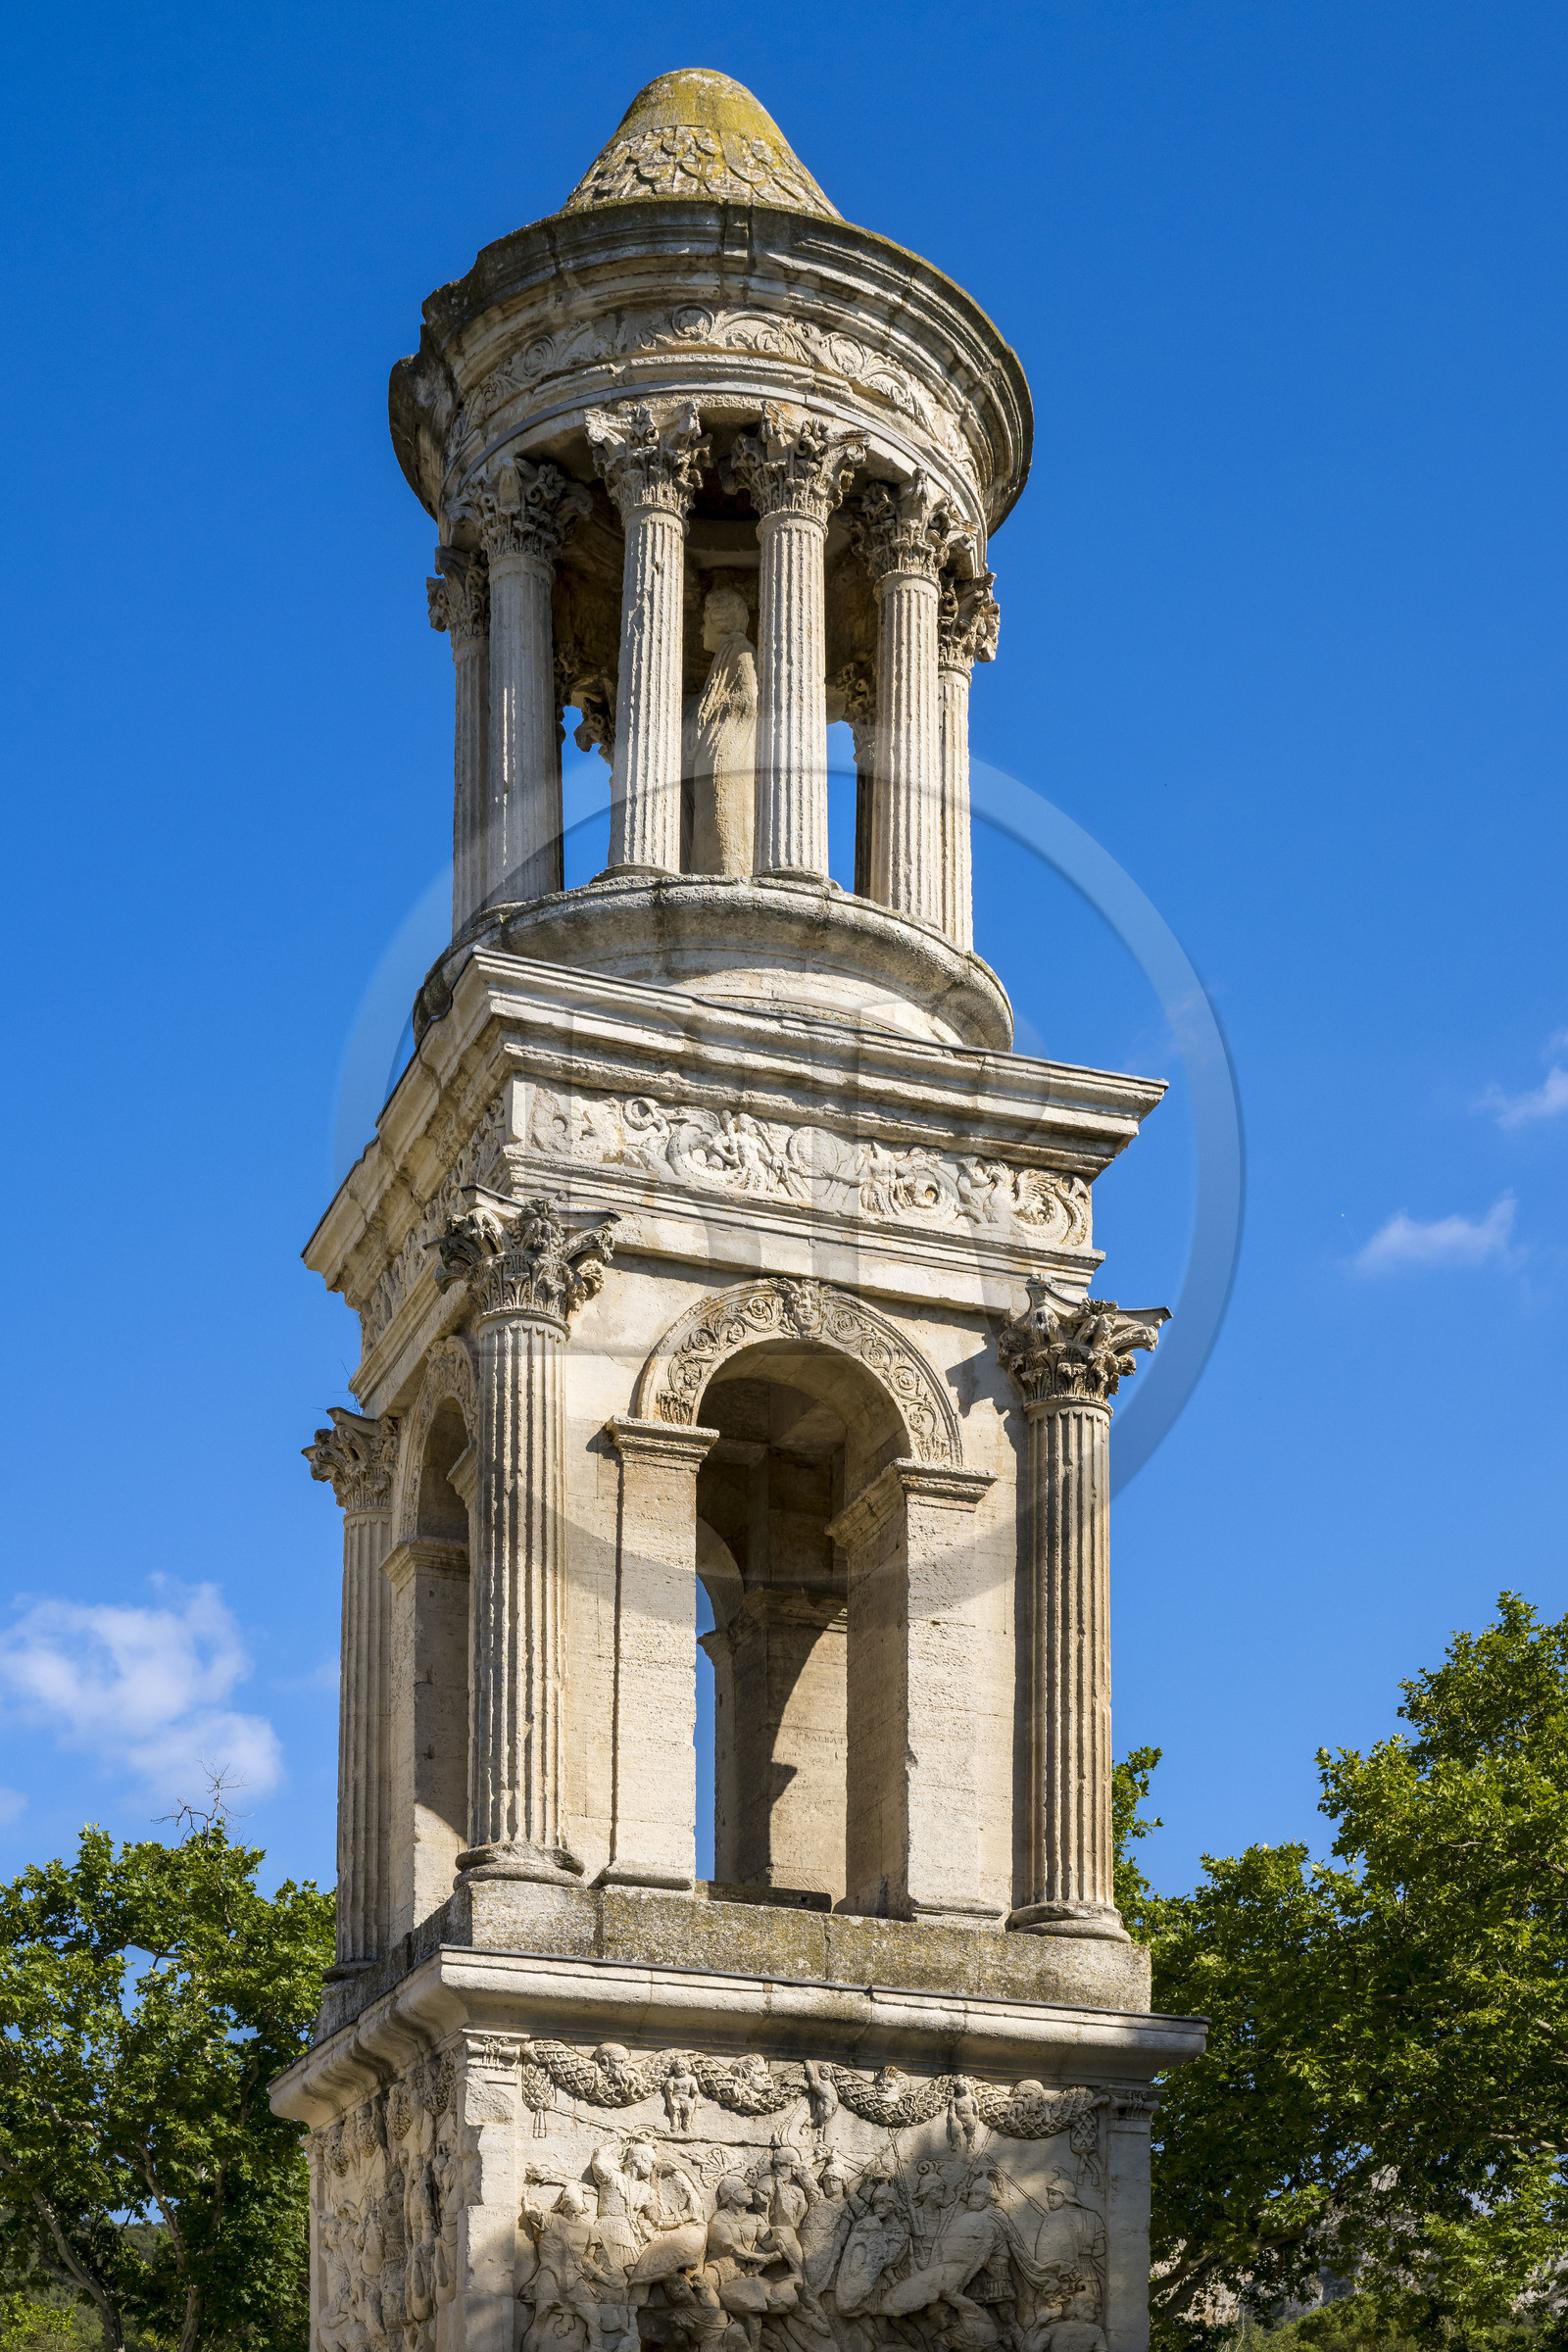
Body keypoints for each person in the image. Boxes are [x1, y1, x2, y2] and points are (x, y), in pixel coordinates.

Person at [683, 585, 757, 876]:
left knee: (721, 816)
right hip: (715, 752)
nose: (701, 629)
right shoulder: (727, 655)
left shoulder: (739, 652)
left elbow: (743, 700)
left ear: (720, 622)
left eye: (705, 622)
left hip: (727, 753)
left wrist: (696, 712)